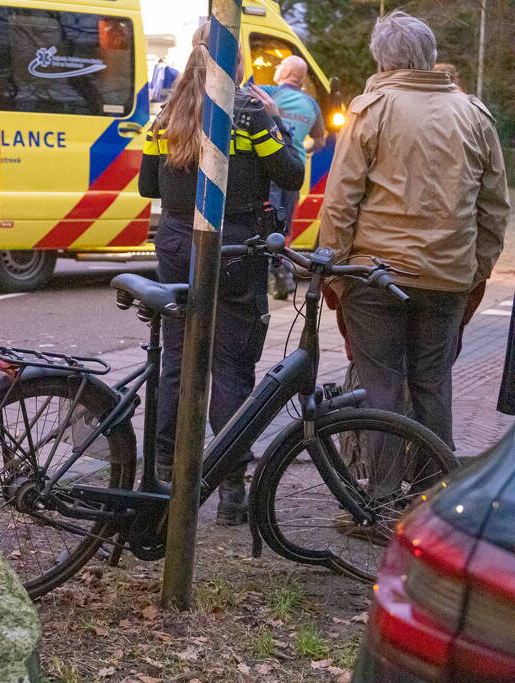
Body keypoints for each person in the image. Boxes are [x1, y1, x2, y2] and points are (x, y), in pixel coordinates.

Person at [319, 11, 510, 468]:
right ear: (431, 57)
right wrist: (472, 271)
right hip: (446, 278)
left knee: (381, 388)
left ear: (381, 60)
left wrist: (337, 274)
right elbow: (495, 210)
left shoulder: (372, 111)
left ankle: (380, 501)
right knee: (433, 385)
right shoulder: (474, 114)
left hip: (375, 275)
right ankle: (430, 493)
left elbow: (340, 202)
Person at [139, 24, 304, 525]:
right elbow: (291, 175)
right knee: (231, 366)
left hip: (174, 242)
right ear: (235, 61)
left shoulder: (168, 115)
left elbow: (149, 184)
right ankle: (231, 489)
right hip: (235, 246)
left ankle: (165, 473)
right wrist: (277, 124)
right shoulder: (250, 112)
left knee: (177, 360)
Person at [259, 55, 326, 299]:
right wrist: (302, 152)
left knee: (263, 222)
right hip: (294, 169)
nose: (276, 68)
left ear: (285, 71)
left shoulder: (268, 92)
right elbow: (319, 141)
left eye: (279, 66)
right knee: (283, 226)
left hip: (269, 167)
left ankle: (270, 274)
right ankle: (282, 273)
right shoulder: (311, 105)